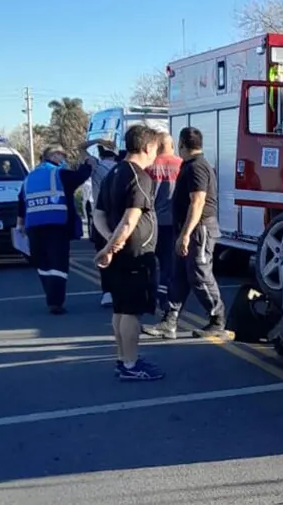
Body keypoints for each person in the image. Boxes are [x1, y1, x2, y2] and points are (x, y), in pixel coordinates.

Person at [93, 125, 164, 381]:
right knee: (132, 311)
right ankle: (131, 365)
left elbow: (98, 215)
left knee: (120, 309)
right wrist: (112, 245)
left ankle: (124, 359)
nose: (156, 153)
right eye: (156, 148)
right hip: (134, 254)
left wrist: (107, 242)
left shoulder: (113, 173)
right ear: (147, 147)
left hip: (119, 253)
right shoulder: (139, 176)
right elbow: (130, 218)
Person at [144, 126, 225, 340]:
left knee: (199, 274)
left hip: (199, 230)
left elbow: (197, 202)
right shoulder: (189, 166)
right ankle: (169, 322)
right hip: (188, 229)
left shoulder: (197, 167)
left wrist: (186, 234)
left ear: (181, 144)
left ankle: (218, 319)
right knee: (178, 277)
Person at [16, 144, 92, 315]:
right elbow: (81, 176)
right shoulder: (58, 173)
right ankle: (56, 302)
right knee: (58, 265)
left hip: (34, 227)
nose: (64, 159)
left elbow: (21, 203)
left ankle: (51, 296)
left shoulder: (28, 178)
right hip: (56, 225)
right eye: (63, 155)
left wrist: (19, 226)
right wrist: (87, 162)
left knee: (43, 264)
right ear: (56, 156)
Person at [147, 131, 182, 313]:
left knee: (150, 262)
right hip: (173, 222)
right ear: (172, 145)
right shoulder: (181, 165)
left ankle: (151, 296)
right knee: (168, 263)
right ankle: (164, 295)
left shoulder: (150, 167)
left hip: (152, 222)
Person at [85, 146, 118, 307]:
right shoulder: (123, 166)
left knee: (103, 254)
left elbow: (81, 150)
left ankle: (107, 292)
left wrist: (97, 140)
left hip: (101, 216)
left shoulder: (97, 167)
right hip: (121, 216)